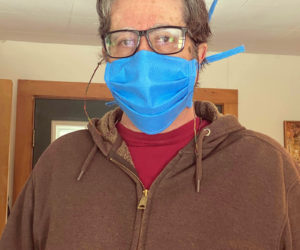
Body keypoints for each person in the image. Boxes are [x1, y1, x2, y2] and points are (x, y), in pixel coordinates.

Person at [1, 0, 300, 249]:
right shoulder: (60, 161)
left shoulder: (268, 166)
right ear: (107, 55)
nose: (143, 57)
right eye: (124, 39)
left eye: (166, 37)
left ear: (199, 55)